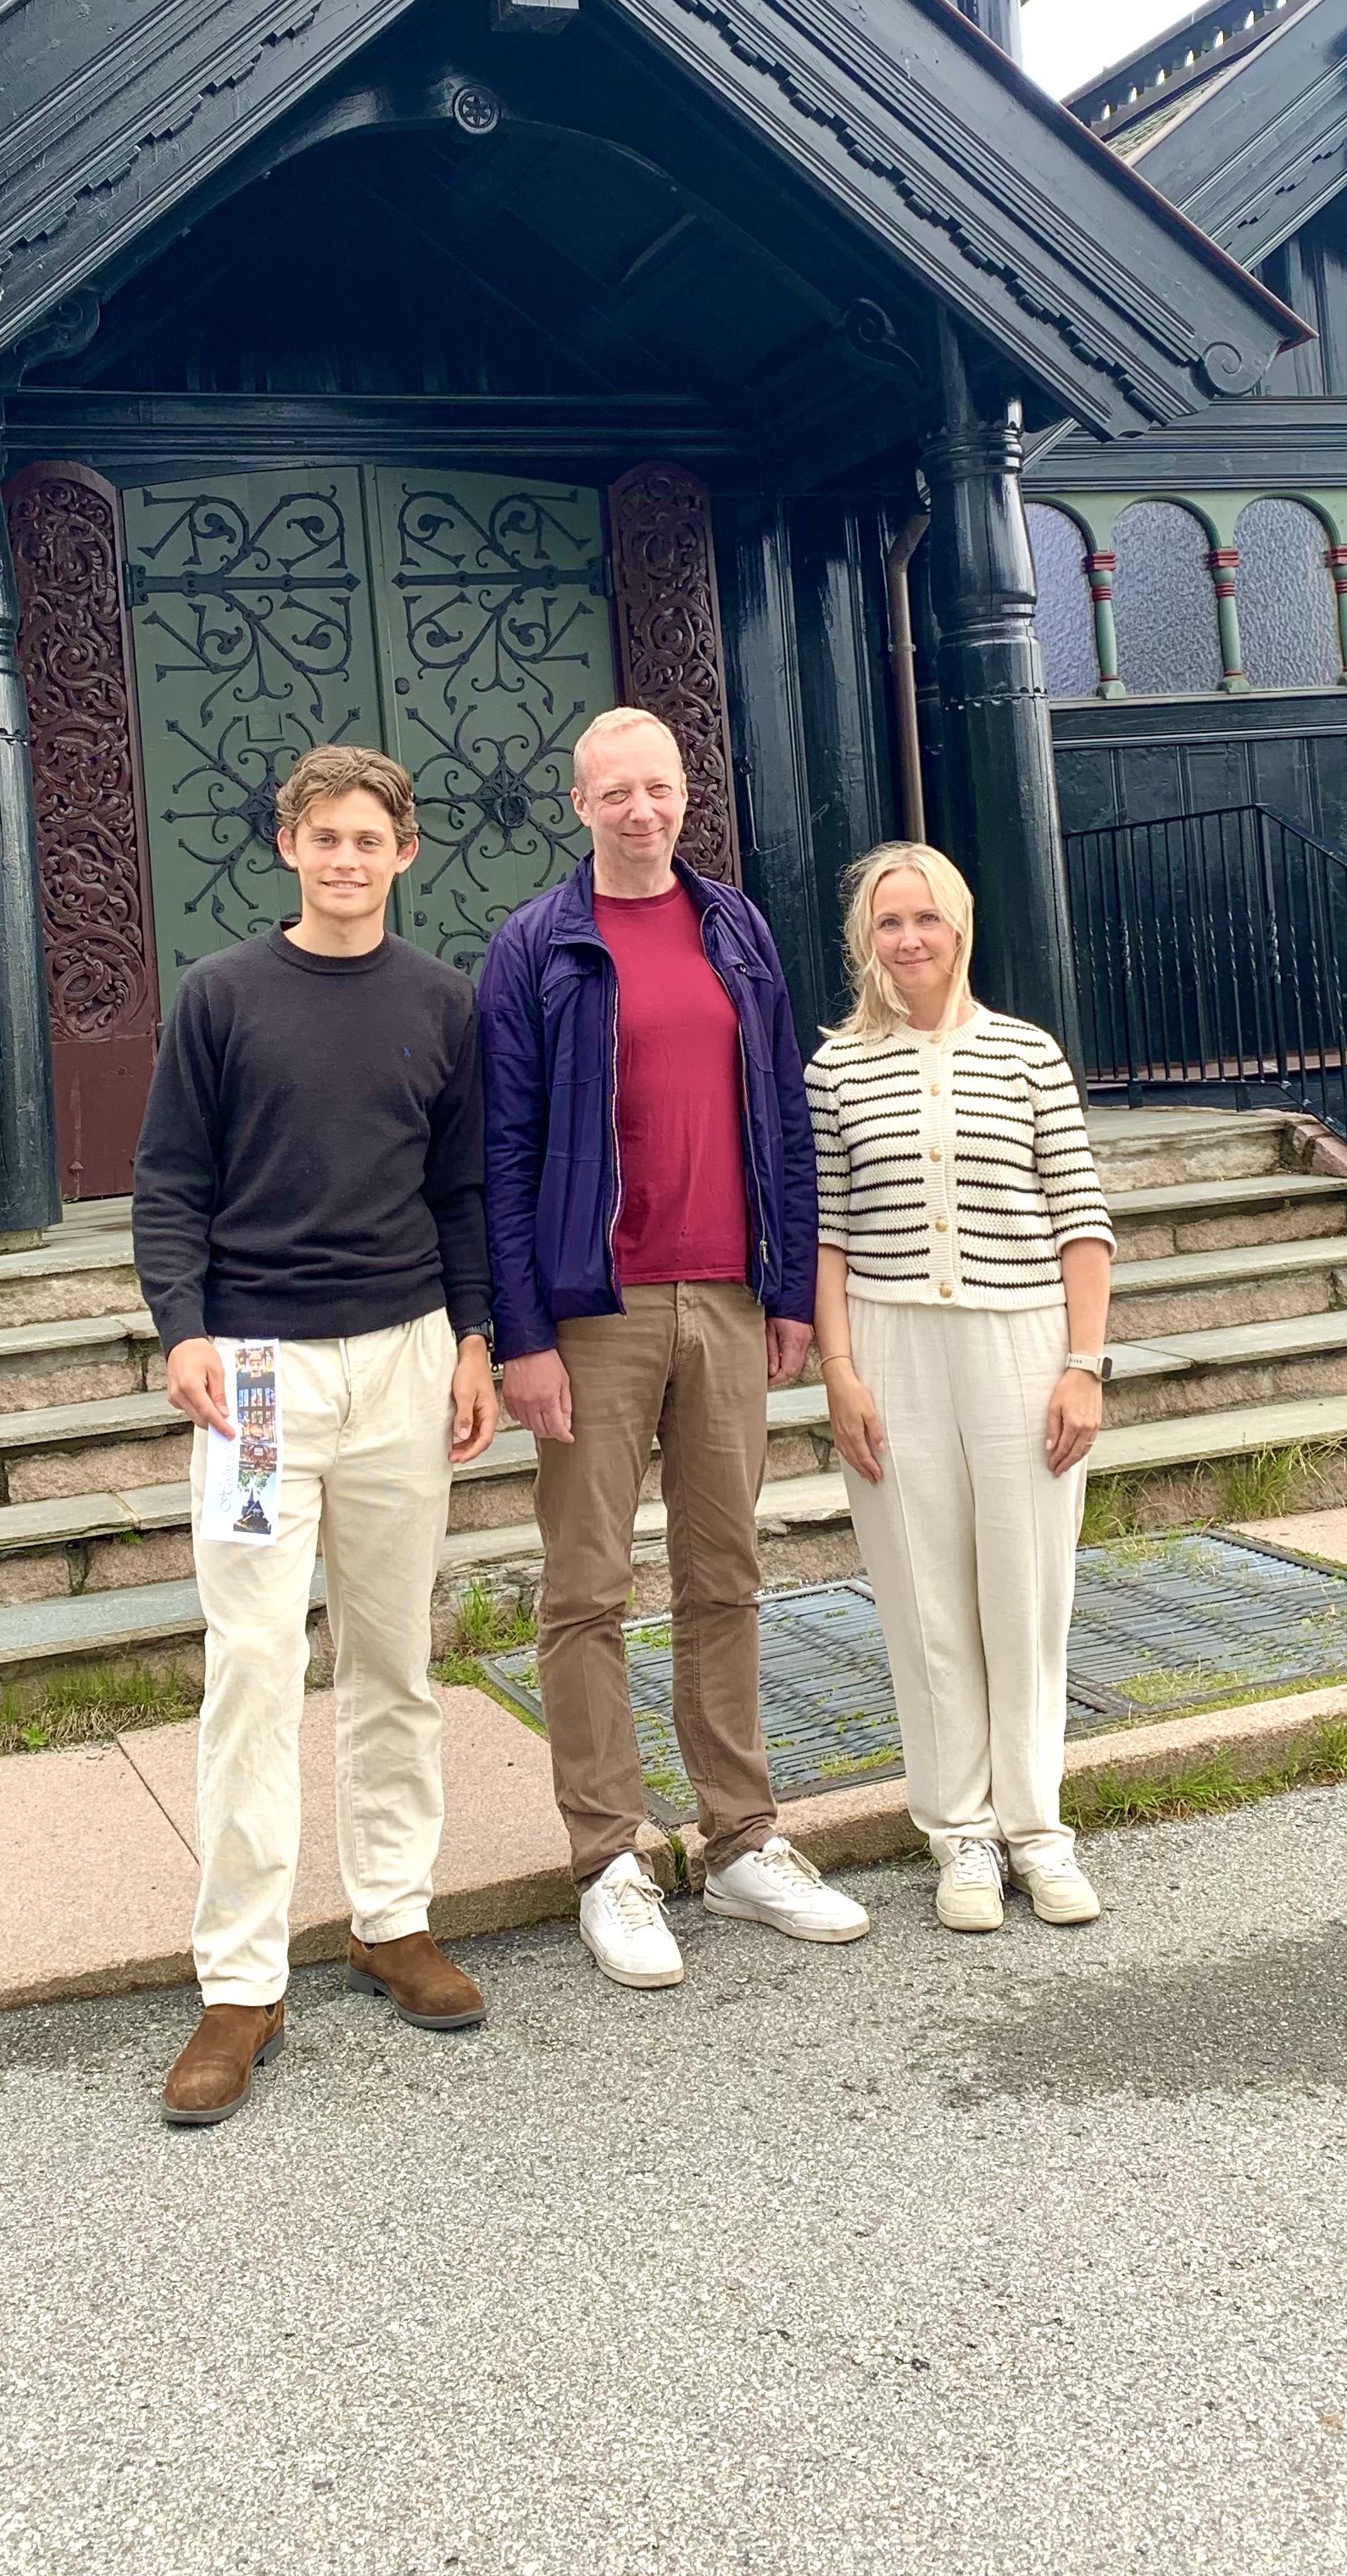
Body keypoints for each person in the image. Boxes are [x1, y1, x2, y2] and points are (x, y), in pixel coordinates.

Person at [134, 744, 501, 2125]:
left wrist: (472, 1340)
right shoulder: (221, 997)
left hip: (405, 1361)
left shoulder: (442, 1004)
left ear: (406, 855)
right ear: (287, 845)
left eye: (369, 840)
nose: (345, 860)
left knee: (395, 1654)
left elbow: (462, 1188)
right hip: (262, 1383)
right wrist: (183, 1330)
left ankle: (391, 1916)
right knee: (250, 1665)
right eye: (322, 837)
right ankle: (240, 1979)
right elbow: (170, 1178)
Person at [477, 707, 870, 1987]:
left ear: (684, 795)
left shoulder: (736, 927)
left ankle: (742, 1837)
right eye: (614, 792)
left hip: (728, 1294)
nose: (640, 810)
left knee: (727, 1572)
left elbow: (787, 1122)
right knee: (585, 1585)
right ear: (578, 804)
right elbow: (502, 1150)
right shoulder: (536, 947)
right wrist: (520, 1334)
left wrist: (793, 1288)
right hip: (593, 1309)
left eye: (659, 788)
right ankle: (607, 1856)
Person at [806, 843, 1116, 1935]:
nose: (910, 939)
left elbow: (1082, 1220)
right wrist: (839, 1372)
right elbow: (829, 1234)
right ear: (867, 940)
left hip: (1020, 1338)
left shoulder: (1028, 1055)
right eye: (889, 923)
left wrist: (1084, 1364)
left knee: (1025, 1592)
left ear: (962, 924)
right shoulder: (835, 1068)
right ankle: (961, 1836)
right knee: (923, 1597)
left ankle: (1038, 1829)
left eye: (926, 918)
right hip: (891, 1345)